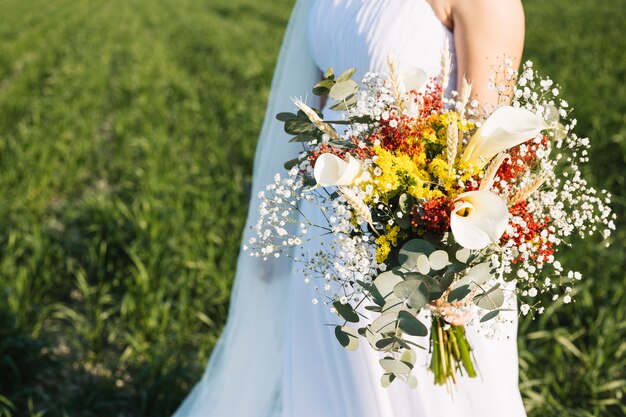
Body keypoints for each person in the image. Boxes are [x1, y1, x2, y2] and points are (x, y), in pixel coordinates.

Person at [173, 1, 527, 416]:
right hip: (325, 235)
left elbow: (489, 148)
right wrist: (282, 217)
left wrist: (454, 263)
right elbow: (320, 107)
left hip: (419, 248)